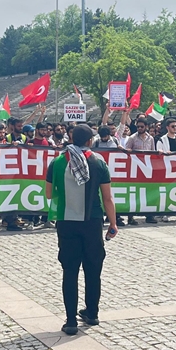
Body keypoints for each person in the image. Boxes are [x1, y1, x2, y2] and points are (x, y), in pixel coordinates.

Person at [44, 123, 118, 336]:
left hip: (66, 222)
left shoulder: (57, 162)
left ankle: (70, 321)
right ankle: (92, 313)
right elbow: (107, 198)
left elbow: (49, 195)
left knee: (70, 271)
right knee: (93, 269)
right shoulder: (98, 161)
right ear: (89, 141)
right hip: (92, 221)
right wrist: (112, 224)